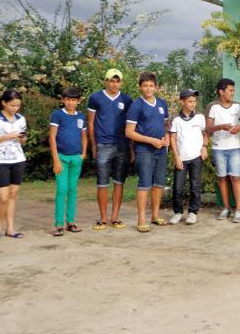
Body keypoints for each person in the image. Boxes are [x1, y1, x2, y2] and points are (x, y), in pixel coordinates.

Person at [87, 68, 133, 230]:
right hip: (103, 145)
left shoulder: (127, 100)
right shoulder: (96, 98)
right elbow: (91, 124)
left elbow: (131, 125)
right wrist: (93, 145)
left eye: (117, 81)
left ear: (121, 82)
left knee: (119, 182)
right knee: (102, 183)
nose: (114, 84)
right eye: (111, 81)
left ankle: (115, 217)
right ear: (106, 81)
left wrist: (131, 148)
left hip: (122, 145)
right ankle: (103, 218)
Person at [125, 71, 169, 233]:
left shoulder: (162, 104)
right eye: (145, 86)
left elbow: (165, 126)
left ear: (156, 87)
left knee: (158, 184)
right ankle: (142, 218)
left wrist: (166, 139)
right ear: (140, 87)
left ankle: (155, 215)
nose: (148, 89)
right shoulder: (137, 105)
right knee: (144, 183)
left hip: (161, 150)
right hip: (144, 150)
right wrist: (151, 141)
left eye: (151, 85)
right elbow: (129, 132)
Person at [207, 78, 240, 222]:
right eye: (230, 90)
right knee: (222, 178)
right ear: (221, 92)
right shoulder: (213, 107)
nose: (232, 93)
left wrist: (239, 127)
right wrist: (220, 127)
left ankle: (239, 210)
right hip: (219, 148)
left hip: (235, 147)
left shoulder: (237, 106)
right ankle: (226, 208)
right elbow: (208, 128)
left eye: (233, 90)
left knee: (236, 177)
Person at [49, 87, 88, 236]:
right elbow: (52, 137)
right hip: (61, 158)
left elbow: (84, 136)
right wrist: (56, 159)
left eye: (73, 100)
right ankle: (59, 224)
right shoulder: (58, 115)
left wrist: (83, 154)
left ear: (78, 101)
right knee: (62, 190)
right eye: (68, 100)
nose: (70, 103)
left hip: (76, 158)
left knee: (73, 190)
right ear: (63, 100)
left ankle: (70, 222)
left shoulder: (81, 117)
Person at [169, 89, 208, 226]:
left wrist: (204, 147)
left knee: (195, 186)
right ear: (182, 102)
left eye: (194, 101)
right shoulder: (176, 119)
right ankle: (178, 212)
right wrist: (176, 157)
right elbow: (172, 139)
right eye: (190, 101)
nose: (193, 104)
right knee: (178, 187)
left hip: (196, 157)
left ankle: (193, 212)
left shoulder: (200, 117)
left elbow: (205, 134)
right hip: (182, 158)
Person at [0, 89, 28, 239]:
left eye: (18, 105)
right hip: (0, 161)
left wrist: (22, 139)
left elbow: (24, 140)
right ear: (4, 103)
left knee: (12, 194)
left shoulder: (21, 119)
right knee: (2, 197)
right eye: (12, 105)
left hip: (18, 159)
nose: (15, 108)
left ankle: (10, 228)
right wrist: (7, 136)